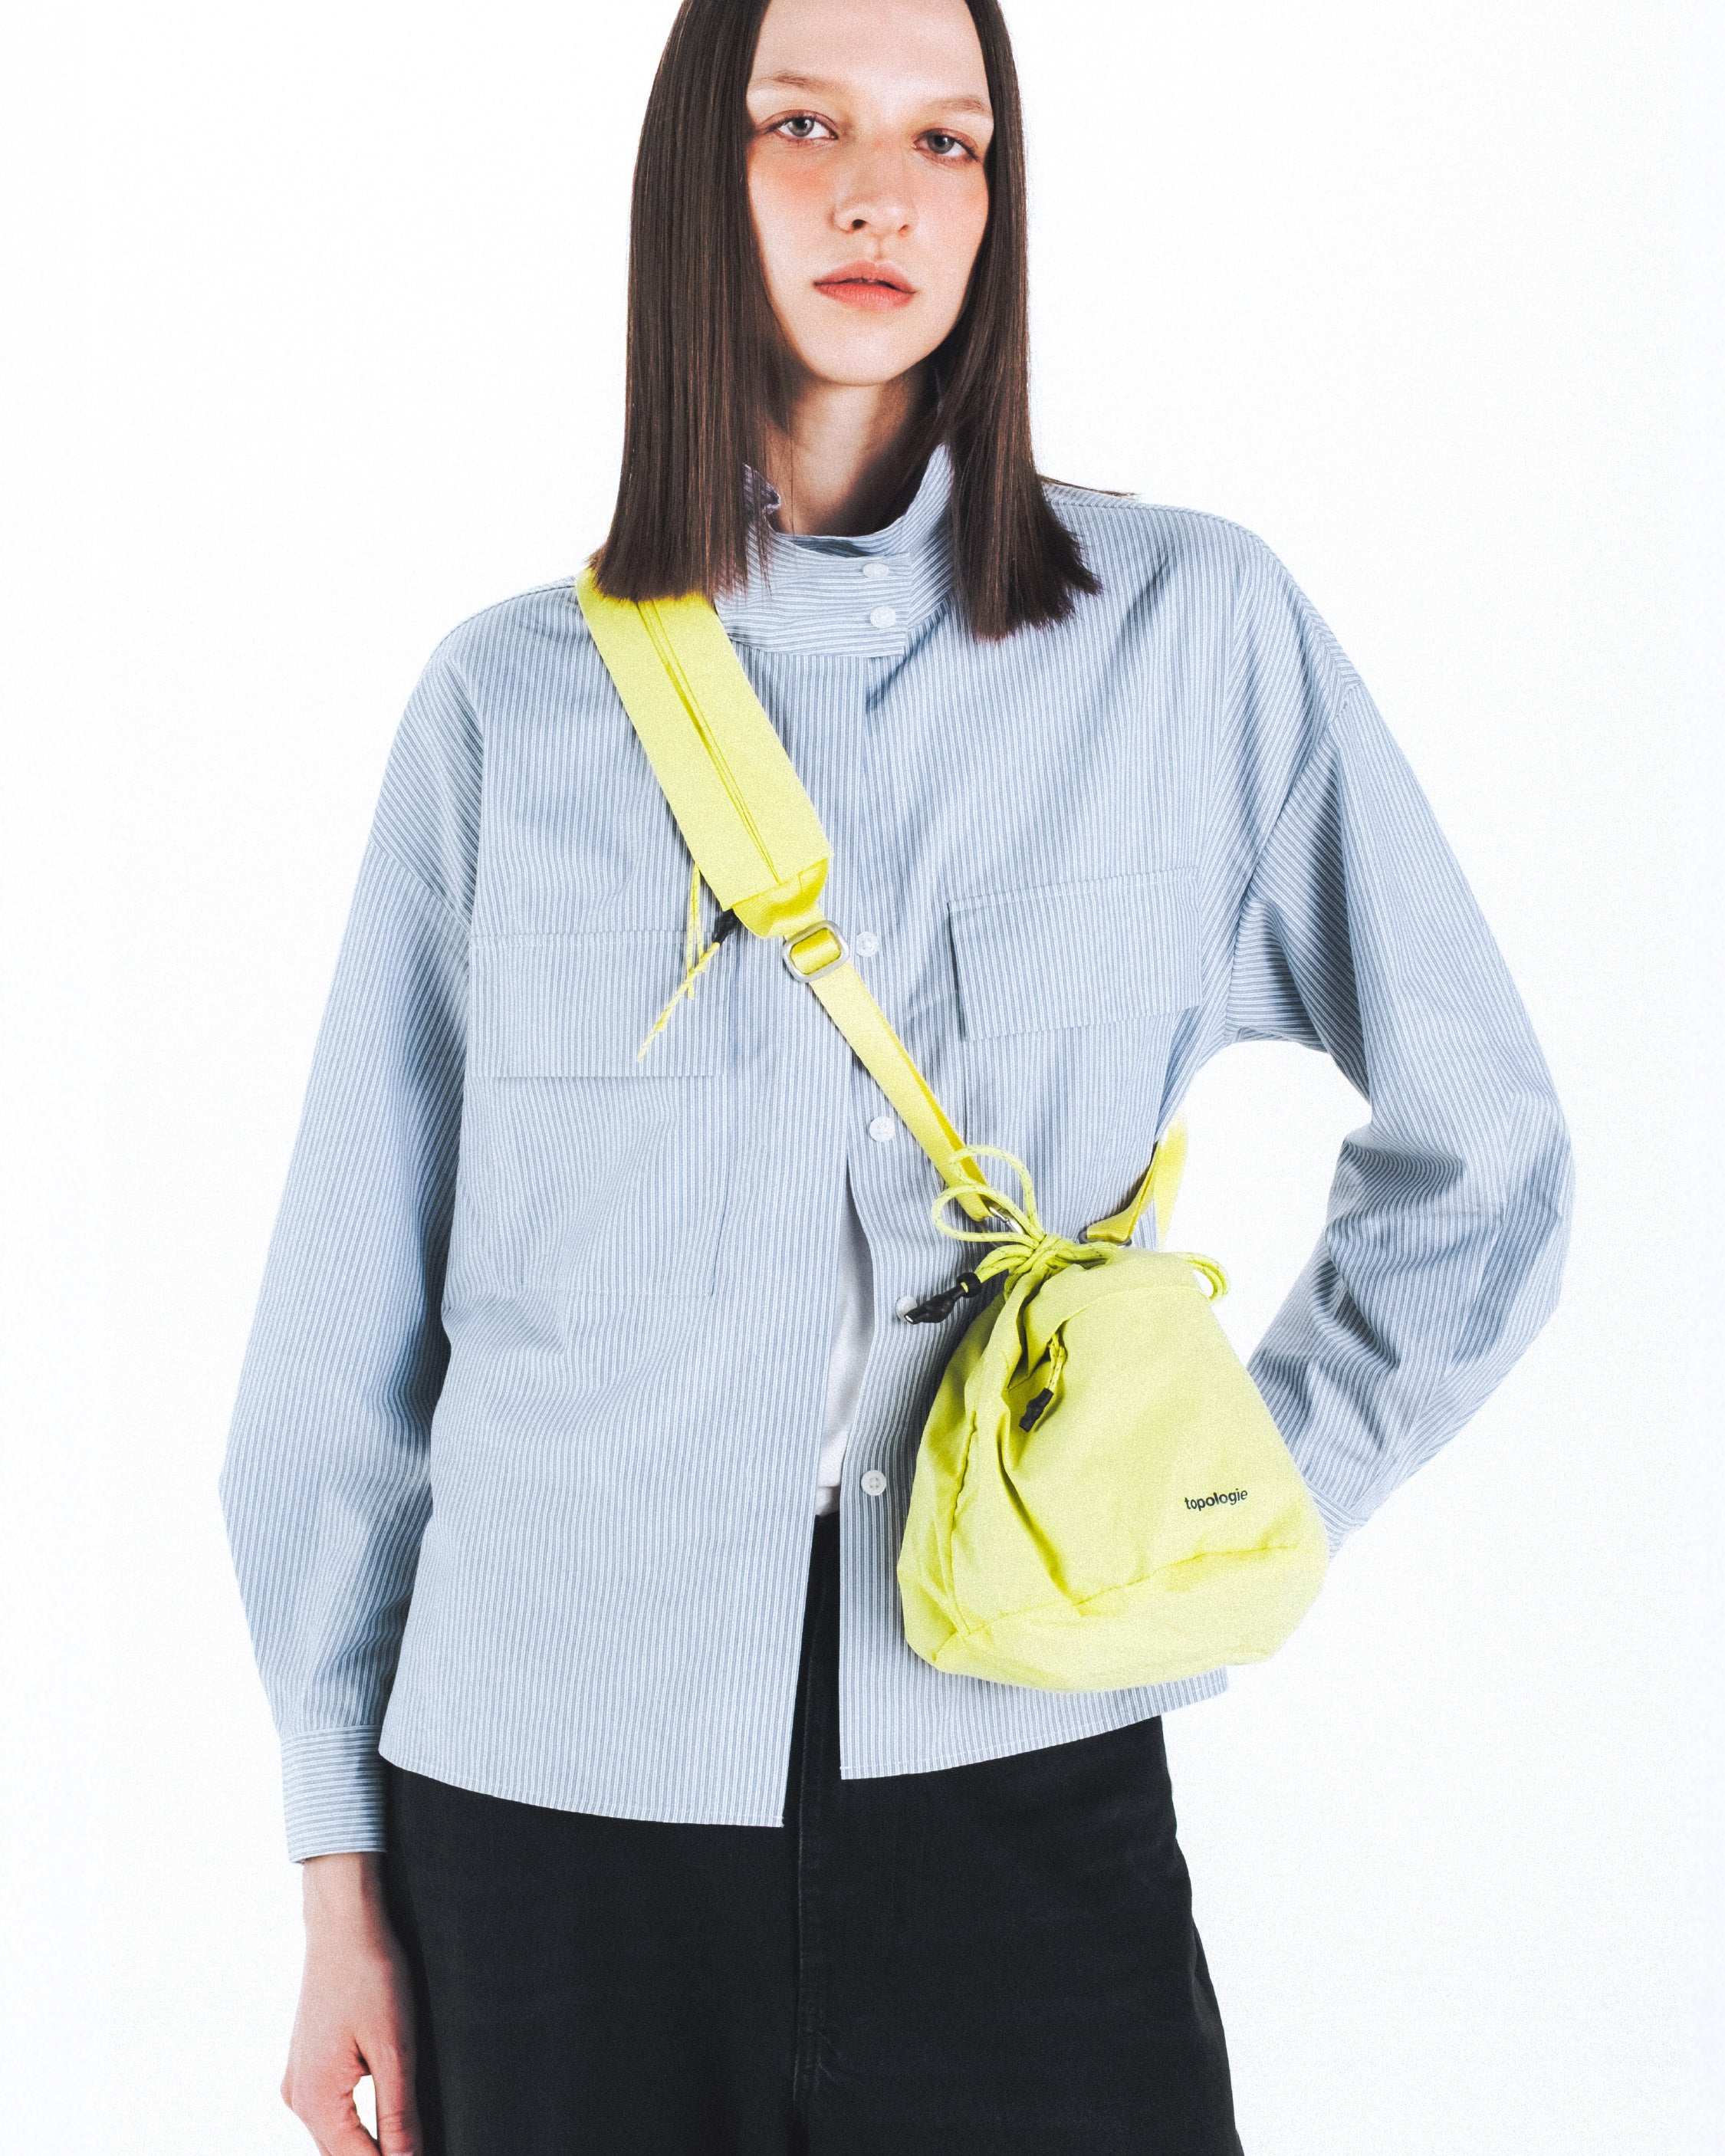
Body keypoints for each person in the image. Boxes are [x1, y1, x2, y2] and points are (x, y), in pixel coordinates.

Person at [217, 0, 1575, 2149]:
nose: (881, 195)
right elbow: (340, 1338)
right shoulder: (504, 711)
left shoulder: (1195, 637)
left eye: (950, 143)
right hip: (544, 1831)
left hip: (1019, 1782)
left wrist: (1231, 1497)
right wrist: (335, 1876)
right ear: (698, 170)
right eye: (804, 125)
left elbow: (1484, 1150)